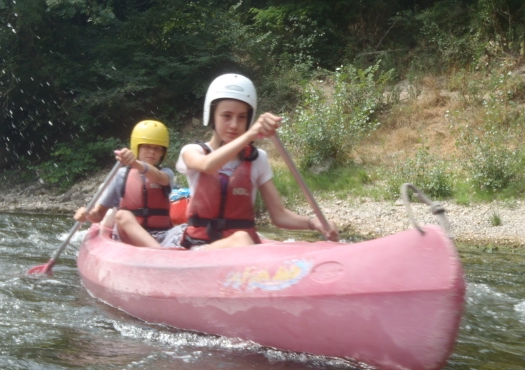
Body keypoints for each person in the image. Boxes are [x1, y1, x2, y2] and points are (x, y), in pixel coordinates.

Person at [176, 73, 338, 249]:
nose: (234, 124)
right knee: (242, 239)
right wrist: (251, 134)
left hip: (242, 250)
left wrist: (313, 223)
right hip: (201, 248)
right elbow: (207, 165)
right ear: (212, 116)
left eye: (242, 117)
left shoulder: (257, 158)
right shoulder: (192, 151)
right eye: (226, 116)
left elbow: (279, 215)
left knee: (244, 239)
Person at [74, 120, 179, 248]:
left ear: (163, 152)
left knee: (186, 228)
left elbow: (157, 177)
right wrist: (87, 214)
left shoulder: (166, 173)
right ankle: (160, 253)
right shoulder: (121, 175)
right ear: (137, 147)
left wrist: (135, 163)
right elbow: (99, 214)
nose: (152, 152)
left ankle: (162, 252)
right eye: (147, 147)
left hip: (162, 235)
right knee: (122, 215)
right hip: (129, 237)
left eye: (157, 148)